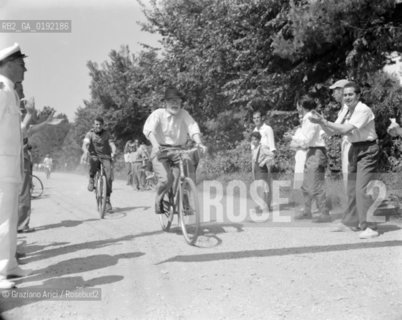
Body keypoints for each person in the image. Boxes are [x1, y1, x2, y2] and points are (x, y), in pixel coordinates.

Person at [309, 82, 379, 239]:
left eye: (350, 94)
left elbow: (346, 130)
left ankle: (370, 226)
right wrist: (321, 122)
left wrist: (325, 122)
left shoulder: (363, 109)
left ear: (358, 95)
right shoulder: (347, 110)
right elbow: (332, 131)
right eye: (345, 94)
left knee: (362, 189)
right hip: (354, 149)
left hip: (367, 149)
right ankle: (351, 222)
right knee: (352, 188)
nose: (347, 97)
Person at [143, 86, 207, 214]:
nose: (175, 104)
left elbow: (192, 127)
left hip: (179, 150)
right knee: (166, 180)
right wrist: (155, 145)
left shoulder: (184, 114)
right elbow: (148, 130)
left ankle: (185, 198)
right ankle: (159, 199)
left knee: (188, 169)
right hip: (161, 149)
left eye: (178, 101)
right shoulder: (158, 114)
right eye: (172, 101)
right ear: (165, 102)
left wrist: (199, 143)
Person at [0, 43, 31, 289]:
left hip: (9, 168)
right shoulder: (0, 90)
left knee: (10, 219)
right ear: (8, 64)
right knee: (2, 221)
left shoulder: (9, 91)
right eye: (21, 65)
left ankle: (9, 265)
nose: (25, 69)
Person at [291, 95, 331, 223]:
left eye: (297, 105)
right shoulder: (309, 117)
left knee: (316, 184)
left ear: (301, 106)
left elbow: (306, 139)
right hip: (312, 152)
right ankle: (307, 210)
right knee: (307, 183)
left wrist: (293, 138)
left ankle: (324, 213)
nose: (297, 108)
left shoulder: (309, 118)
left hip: (316, 152)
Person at [81, 116, 116, 213]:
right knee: (93, 160)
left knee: (109, 177)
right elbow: (85, 145)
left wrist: (113, 151)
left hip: (106, 157)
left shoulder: (107, 134)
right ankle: (92, 178)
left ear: (103, 125)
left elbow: (112, 144)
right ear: (94, 124)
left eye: (100, 124)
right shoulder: (90, 134)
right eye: (96, 124)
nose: (98, 126)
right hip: (94, 155)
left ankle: (107, 199)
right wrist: (85, 152)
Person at [252, 110, 276, 211]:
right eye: (254, 118)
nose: (256, 120)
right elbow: (253, 147)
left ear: (262, 118)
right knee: (258, 183)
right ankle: (261, 205)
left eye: (258, 117)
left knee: (266, 184)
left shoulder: (267, 129)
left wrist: (269, 161)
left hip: (266, 158)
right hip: (257, 158)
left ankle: (267, 205)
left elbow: (272, 146)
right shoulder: (254, 130)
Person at [330, 79, 350, 188]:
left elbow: (336, 126)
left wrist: (323, 125)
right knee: (346, 174)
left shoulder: (348, 108)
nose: (333, 94)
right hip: (345, 144)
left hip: (352, 144)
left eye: (335, 91)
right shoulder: (342, 109)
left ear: (342, 91)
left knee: (350, 175)